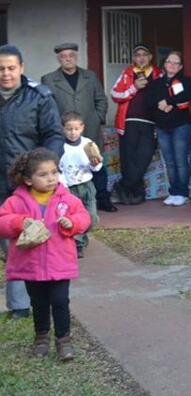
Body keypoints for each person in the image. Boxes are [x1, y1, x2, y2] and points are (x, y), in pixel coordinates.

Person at [0, 147, 90, 359]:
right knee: (38, 303)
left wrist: (72, 223)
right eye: (43, 174)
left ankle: (63, 341)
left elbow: (83, 217)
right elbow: (2, 222)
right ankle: (41, 338)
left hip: (60, 263)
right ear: (28, 180)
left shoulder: (66, 199)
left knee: (60, 301)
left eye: (54, 172)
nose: (51, 178)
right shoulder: (16, 201)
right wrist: (19, 222)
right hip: (31, 265)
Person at [0, 44, 66, 320]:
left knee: (15, 240)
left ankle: (19, 304)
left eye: (11, 68)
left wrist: (41, 171)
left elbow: (53, 135)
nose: (5, 74)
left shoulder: (39, 97)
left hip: (21, 181)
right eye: (1, 69)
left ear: (22, 68)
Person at [41, 43, 114, 213]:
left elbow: (101, 99)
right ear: (59, 59)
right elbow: (46, 106)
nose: (68, 59)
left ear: (76, 57)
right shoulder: (49, 79)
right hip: (65, 132)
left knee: (97, 164)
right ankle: (69, 203)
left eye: (71, 55)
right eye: (63, 56)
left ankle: (102, 199)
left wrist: (97, 117)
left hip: (89, 127)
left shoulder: (90, 76)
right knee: (65, 166)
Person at [110, 43, 162, 205]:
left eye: (144, 54)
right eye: (138, 55)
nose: (141, 58)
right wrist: (133, 87)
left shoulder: (158, 74)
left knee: (143, 157)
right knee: (128, 159)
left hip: (150, 123)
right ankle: (134, 195)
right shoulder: (127, 73)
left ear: (150, 57)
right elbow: (115, 94)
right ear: (133, 58)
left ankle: (121, 187)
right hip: (129, 122)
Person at [147, 50, 191, 207]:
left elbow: (187, 95)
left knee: (181, 160)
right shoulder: (156, 83)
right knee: (169, 161)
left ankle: (183, 193)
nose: (172, 65)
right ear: (164, 63)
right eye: (169, 61)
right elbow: (149, 101)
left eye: (176, 62)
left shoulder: (184, 81)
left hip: (181, 126)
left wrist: (168, 101)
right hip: (162, 127)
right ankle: (173, 191)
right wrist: (161, 105)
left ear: (180, 67)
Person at [58, 112, 103, 259]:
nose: (72, 132)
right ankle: (77, 245)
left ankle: (81, 236)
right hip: (70, 188)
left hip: (87, 185)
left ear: (82, 128)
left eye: (76, 128)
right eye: (69, 129)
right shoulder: (60, 146)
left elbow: (96, 166)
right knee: (73, 217)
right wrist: (63, 187)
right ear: (63, 128)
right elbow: (59, 168)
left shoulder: (87, 143)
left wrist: (94, 163)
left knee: (92, 218)